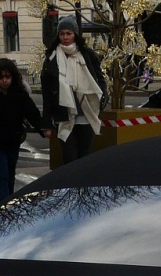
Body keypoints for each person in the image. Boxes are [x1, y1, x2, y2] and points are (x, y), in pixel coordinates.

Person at [0, 59, 47, 203]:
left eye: (7, 77)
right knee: (2, 176)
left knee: (10, 174)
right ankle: (3, 205)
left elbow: (32, 114)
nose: (4, 81)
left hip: (13, 140)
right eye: (1, 78)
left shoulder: (19, 94)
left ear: (13, 77)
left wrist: (43, 129)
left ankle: (8, 203)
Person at [41, 17, 105, 166]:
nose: (65, 37)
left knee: (85, 159)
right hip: (64, 116)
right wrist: (47, 124)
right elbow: (47, 95)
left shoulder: (87, 54)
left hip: (86, 112)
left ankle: (84, 188)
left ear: (75, 34)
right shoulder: (51, 58)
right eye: (62, 33)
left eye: (68, 33)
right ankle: (72, 188)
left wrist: (102, 98)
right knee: (69, 159)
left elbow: (99, 79)